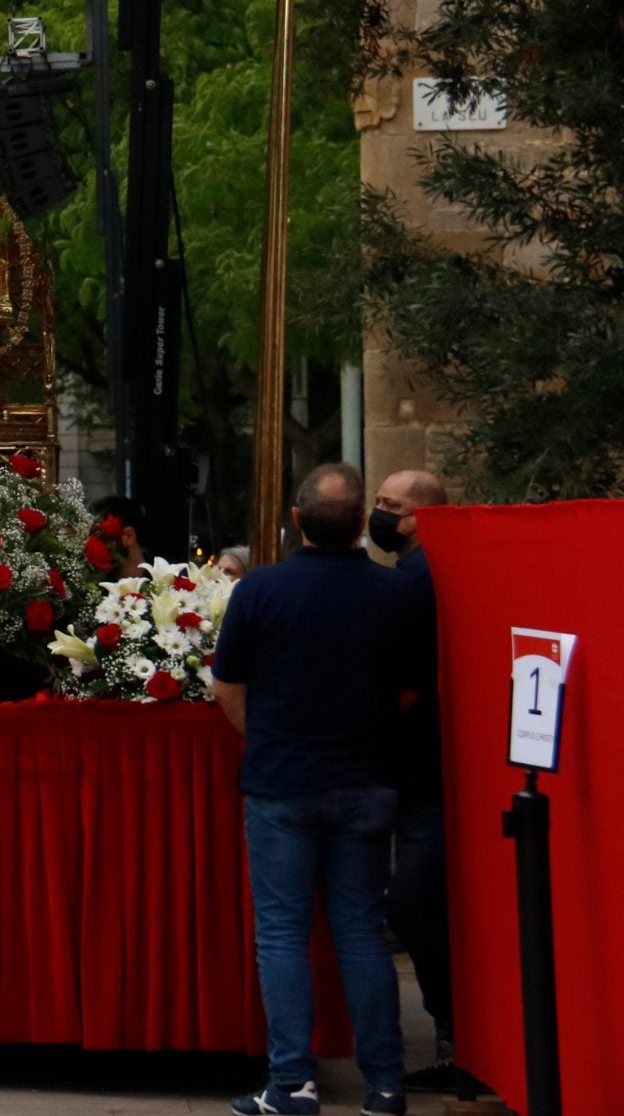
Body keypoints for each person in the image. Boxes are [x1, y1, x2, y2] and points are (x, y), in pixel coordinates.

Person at [210, 464, 410, 1116]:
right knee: (360, 929)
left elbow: (227, 685)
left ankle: (292, 1081)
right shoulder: (392, 593)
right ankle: (384, 1083)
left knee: (284, 931)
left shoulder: (261, 589)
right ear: (361, 523)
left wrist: (265, 737)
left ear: (296, 520)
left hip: (282, 782)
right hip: (368, 779)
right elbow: (411, 688)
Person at [371, 468, 460, 1095]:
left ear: (422, 517)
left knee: (412, 905)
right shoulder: (416, 576)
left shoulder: (421, 582)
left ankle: (460, 1035)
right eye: (377, 502)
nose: (379, 514)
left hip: (428, 776)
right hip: (414, 775)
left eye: (391, 506)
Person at [90, 494, 149, 572]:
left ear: (129, 536)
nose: (92, 543)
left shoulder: (165, 579)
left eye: (102, 538)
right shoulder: (91, 581)